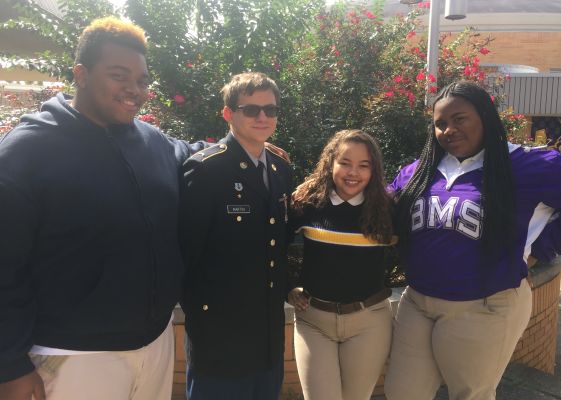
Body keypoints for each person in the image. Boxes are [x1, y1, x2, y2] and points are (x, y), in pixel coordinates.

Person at [0, 16, 220, 400]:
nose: (133, 89)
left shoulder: (153, 142)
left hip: (154, 346)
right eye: (119, 75)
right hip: (72, 357)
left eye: (142, 80)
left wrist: (241, 148)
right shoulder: (27, 153)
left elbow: (193, 155)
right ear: (81, 74)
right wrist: (8, 364)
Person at [384, 80, 561, 400]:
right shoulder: (420, 170)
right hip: (417, 302)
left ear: (485, 116)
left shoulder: (527, 164)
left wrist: (543, 247)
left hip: (484, 306)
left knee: (469, 394)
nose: (449, 129)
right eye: (440, 124)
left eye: (460, 119)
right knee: (402, 392)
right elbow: (379, 207)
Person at [179, 72, 293, 400]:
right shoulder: (205, 169)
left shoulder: (279, 168)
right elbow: (188, 252)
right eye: (251, 109)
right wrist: (205, 317)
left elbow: (279, 242)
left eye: (270, 110)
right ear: (228, 113)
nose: (262, 117)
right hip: (219, 333)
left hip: (268, 332)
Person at [287, 129, 396, 400]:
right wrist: (288, 286)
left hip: (369, 323)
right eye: (345, 163)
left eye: (363, 165)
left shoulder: (388, 209)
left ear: (374, 170)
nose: (353, 173)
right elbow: (272, 247)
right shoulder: (307, 203)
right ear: (330, 163)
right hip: (314, 322)